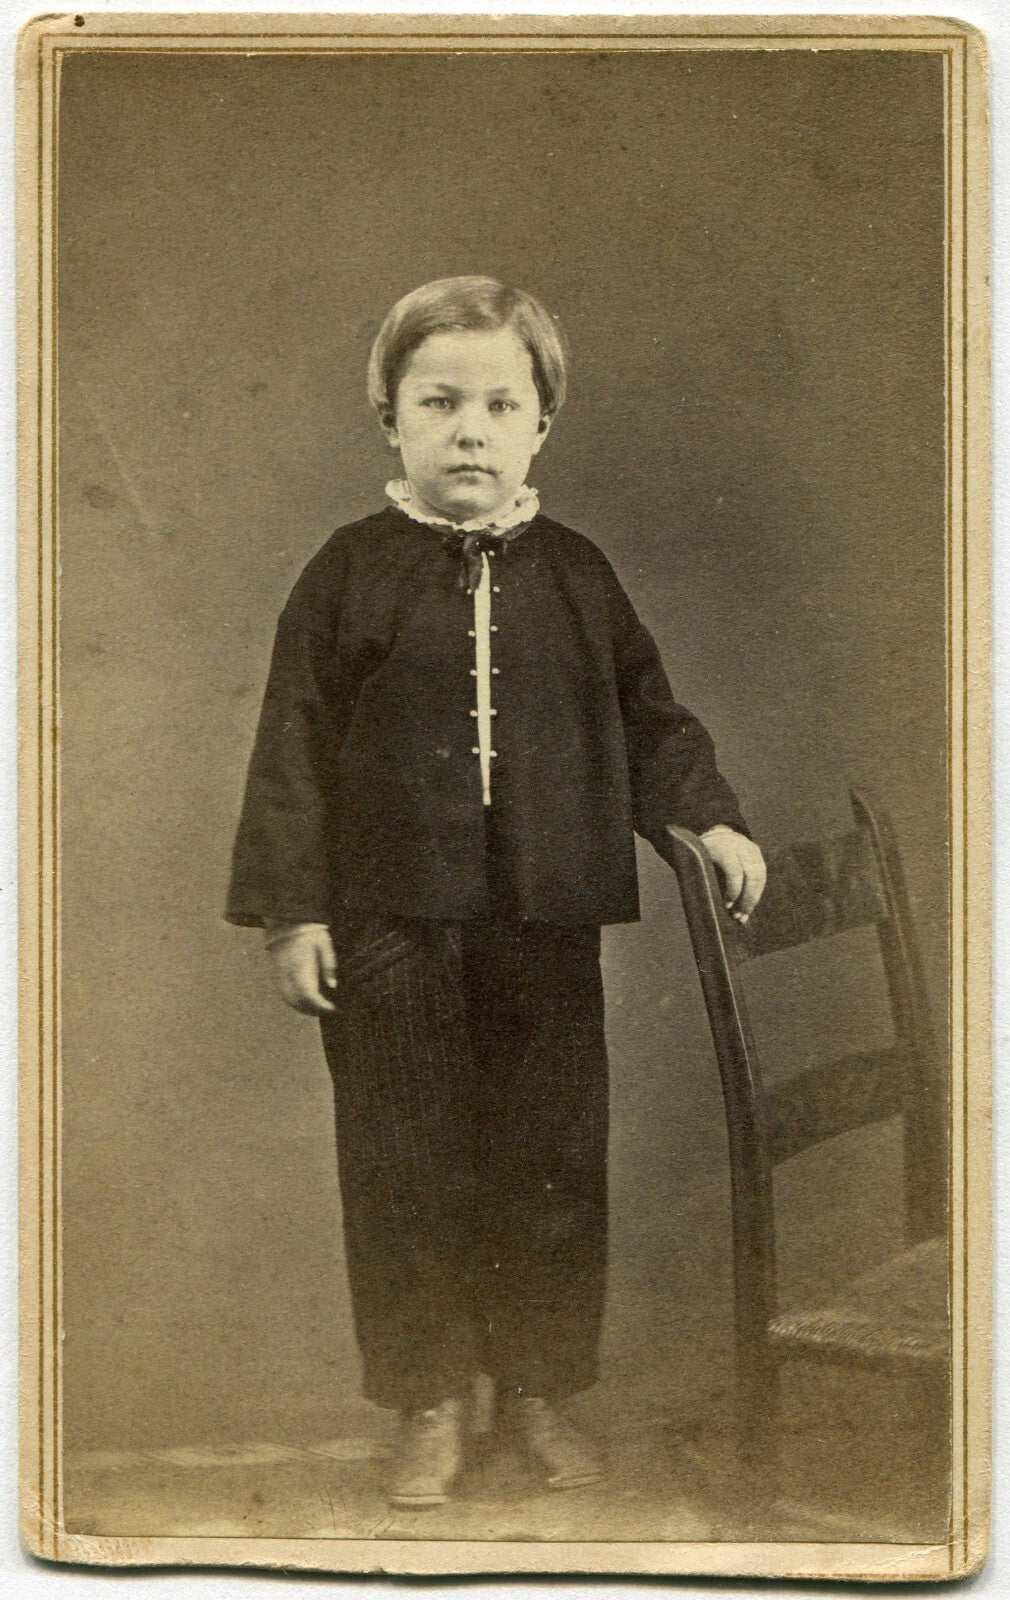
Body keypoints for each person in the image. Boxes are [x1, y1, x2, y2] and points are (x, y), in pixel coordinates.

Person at [226, 276, 766, 1509]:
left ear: (539, 426)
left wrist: (710, 815)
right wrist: (293, 914)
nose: (468, 428)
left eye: (497, 403)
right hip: (388, 930)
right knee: (402, 1161)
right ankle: (428, 1397)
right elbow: (290, 748)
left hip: (543, 925)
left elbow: (649, 719)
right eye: (438, 401)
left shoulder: (577, 574)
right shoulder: (346, 575)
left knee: (549, 1161)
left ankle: (534, 1388)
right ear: (389, 420)